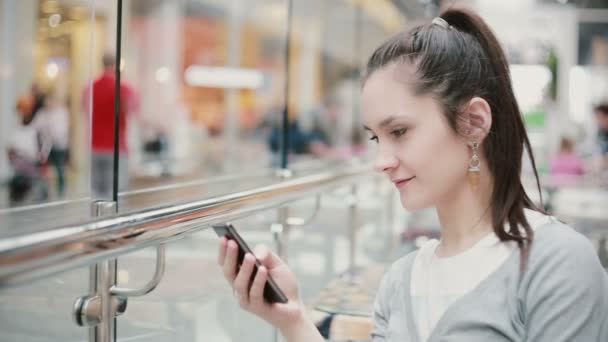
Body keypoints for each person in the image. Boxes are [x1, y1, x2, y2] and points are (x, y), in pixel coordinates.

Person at [217, 7, 608, 342]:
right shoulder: (400, 280)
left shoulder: (556, 263)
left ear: (474, 121)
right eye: (376, 138)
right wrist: (294, 320)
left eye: (399, 132)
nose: (381, 160)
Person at [83, 53, 139, 199]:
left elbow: (83, 110)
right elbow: (134, 110)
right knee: (116, 196)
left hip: (95, 146)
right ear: (117, 66)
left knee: (97, 195)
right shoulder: (124, 88)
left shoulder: (90, 88)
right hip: (116, 147)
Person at [31, 89, 69, 196]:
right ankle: (45, 190)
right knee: (44, 168)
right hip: (45, 146)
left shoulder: (61, 113)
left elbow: (61, 130)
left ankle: (62, 189)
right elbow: (34, 127)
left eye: (50, 100)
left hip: (59, 146)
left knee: (59, 167)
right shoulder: (42, 113)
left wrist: (49, 130)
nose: (48, 103)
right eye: (46, 101)